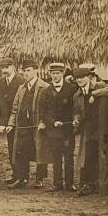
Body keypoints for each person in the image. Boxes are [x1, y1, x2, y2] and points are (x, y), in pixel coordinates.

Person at [72, 67, 108, 196]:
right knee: (88, 156)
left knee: (104, 155)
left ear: (89, 77)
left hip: (104, 127)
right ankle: (89, 184)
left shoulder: (99, 85)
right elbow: (77, 112)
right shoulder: (77, 95)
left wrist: (94, 94)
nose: (80, 80)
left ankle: (102, 183)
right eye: (77, 78)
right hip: (88, 129)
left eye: (82, 77)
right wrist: (76, 120)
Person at [6, 59, 50, 189]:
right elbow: (14, 109)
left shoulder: (44, 87)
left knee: (39, 150)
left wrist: (43, 122)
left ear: (36, 70)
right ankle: (22, 178)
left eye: (29, 70)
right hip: (23, 126)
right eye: (24, 71)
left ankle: (40, 178)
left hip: (38, 125)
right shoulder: (22, 88)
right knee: (21, 151)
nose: (26, 73)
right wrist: (11, 124)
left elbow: (48, 109)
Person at [38, 63, 78, 192]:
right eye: (53, 73)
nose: (55, 76)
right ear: (50, 74)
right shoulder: (46, 91)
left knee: (69, 157)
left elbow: (75, 108)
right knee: (56, 157)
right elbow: (42, 111)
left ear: (63, 73)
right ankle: (57, 183)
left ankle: (70, 183)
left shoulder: (72, 89)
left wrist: (72, 120)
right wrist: (53, 122)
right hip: (53, 130)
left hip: (67, 130)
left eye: (58, 73)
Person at [0, 58, 26, 182]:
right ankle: (15, 174)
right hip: (8, 119)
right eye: (2, 68)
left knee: (21, 148)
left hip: (20, 119)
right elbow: (3, 103)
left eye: (7, 67)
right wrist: (4, 121)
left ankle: (23, 177)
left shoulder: (21, 80)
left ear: (13, 67)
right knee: (10, 147)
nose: (4, 70)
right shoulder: (2, 82)